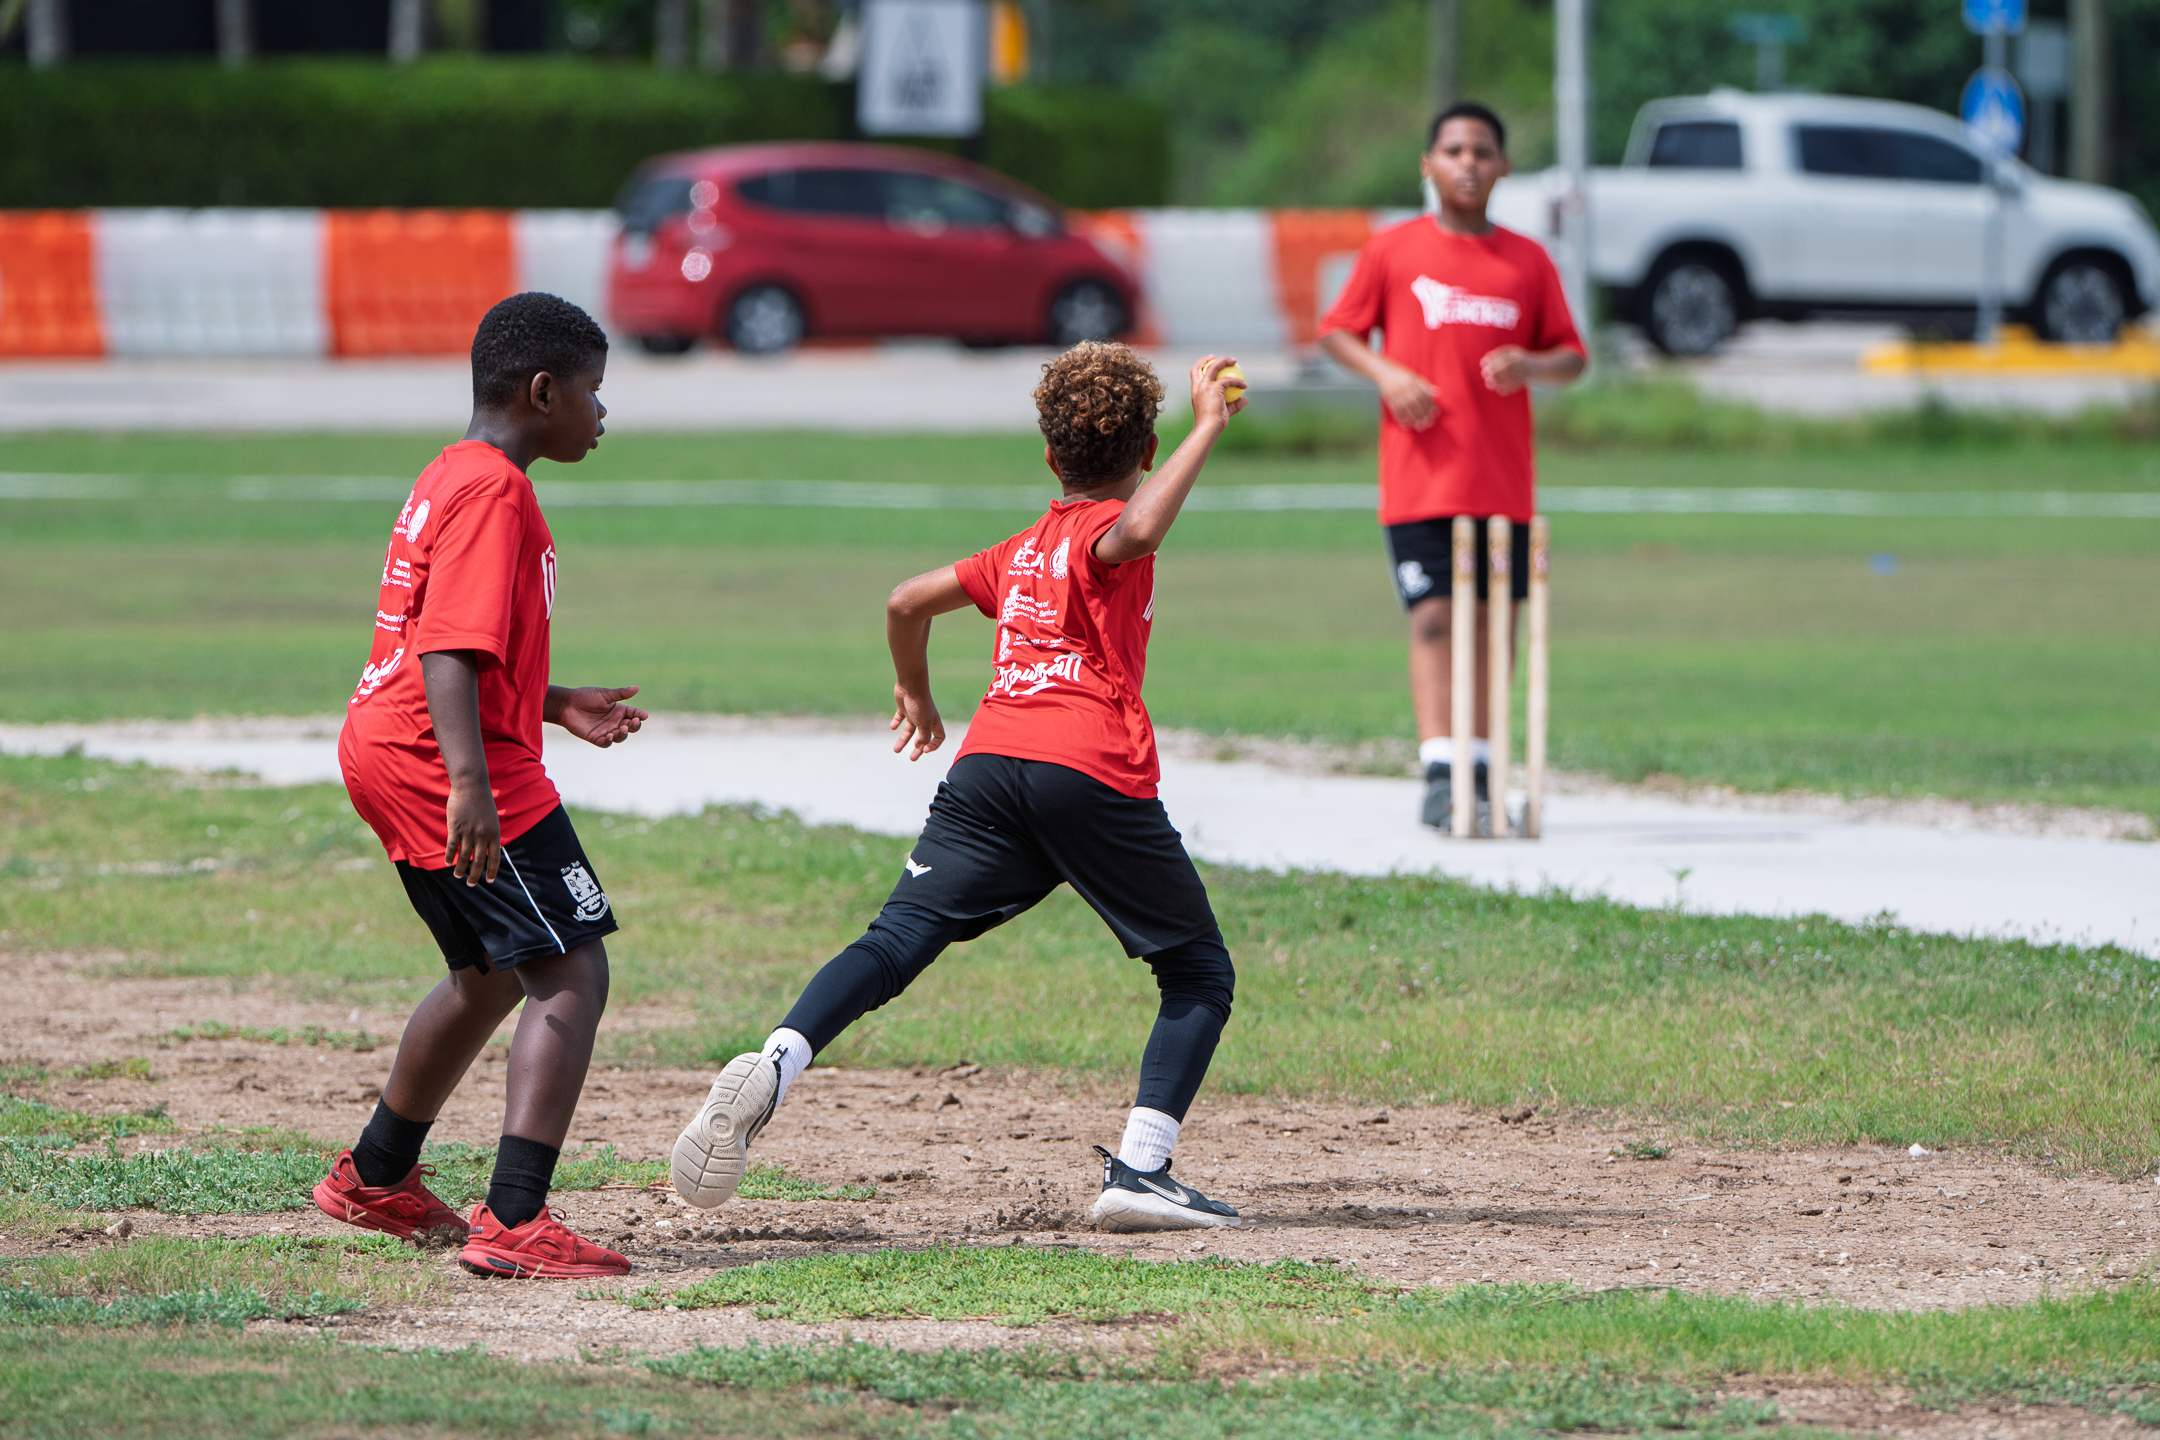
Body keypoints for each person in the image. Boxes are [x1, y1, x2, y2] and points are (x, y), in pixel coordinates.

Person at [671, 344, 1247, 1233]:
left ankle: (779, 1059)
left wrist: (915, 689)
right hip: (1086, 766)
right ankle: (1142, 1169)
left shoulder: (1020, 552)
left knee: (898, 936)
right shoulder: (1108, 534)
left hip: (988, 768)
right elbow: (1132, 534)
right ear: (1144, 455)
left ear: (1050, 457)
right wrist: (1208, 428)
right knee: (1198, 971)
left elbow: (906, 600)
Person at [312, 292, 650, 1279]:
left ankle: (374, 1177)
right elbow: (449, 651)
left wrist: (551, 703)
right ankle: (516, 1219)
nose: (601, 412)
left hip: (394, 746)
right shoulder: (497, 492)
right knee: (572, 968)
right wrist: (471, 784)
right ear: (543, 392)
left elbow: (446, 642)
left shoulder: (450, 475)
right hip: (443, 760)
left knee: (493, 972)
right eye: (592, 391)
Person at [1318, 101, 1585, 832]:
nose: (1468, 163)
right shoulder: (1394, 250)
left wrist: (1532, 363)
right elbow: (1337, 331)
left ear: (1502, 166)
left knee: (1497, 626)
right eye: (1455, 150)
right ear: (1428, 165)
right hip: (1419, 478)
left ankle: (1483, 761)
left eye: (1483, 152)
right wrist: (1387, 373)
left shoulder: (1526, 259)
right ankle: (1440, 766)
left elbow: (1572, 355)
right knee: (1434, 618)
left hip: (1502, 482)